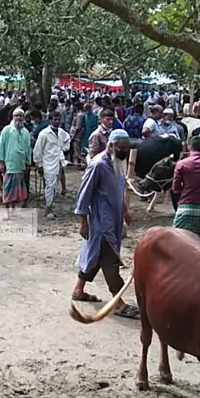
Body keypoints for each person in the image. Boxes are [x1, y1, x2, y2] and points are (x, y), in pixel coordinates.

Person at [73, 129, 138, 319]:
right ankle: (117, 303)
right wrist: (83, 223)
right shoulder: (98, 165)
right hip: (101, 222)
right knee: (110, 260)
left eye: (127, 148)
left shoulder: (118, 164)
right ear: (111, 145)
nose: (124, 151)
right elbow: (83, 195)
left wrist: (125, 211)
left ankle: (79, 290)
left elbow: (118, 189)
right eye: (121, 148)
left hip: (114, 219)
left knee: (95, 256)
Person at [171, 136, 200, 240]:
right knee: (198, 239)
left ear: (189, 147)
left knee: (178, 237)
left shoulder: (181, 164)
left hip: (185, 206)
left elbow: (176, 188)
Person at [0, 108, 32, 219]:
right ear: (12, 117)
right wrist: (1, 162)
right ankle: (7, 212)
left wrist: (28, 163)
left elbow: (28, 149)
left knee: (17, 191)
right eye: (16, 116)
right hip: (9, 165)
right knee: (7, 189)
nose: (18, 118)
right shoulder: (7, 130)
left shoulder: (26, 132)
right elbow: (1, 146)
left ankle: (13, 210)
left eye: (21, 116)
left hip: (20, 165)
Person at [34, 111, 70, 219]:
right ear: (50, 120)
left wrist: (64, 148)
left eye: (59, 119)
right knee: (49, 186)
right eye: (55, 119)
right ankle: (48, 209)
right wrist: (39, 164)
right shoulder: (44, 133)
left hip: (58, 163)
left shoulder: (62, 132)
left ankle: (50, 206)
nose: (57, 122)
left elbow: (67, 140)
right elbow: (37, 150)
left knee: (54, 187)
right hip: (47, 163)